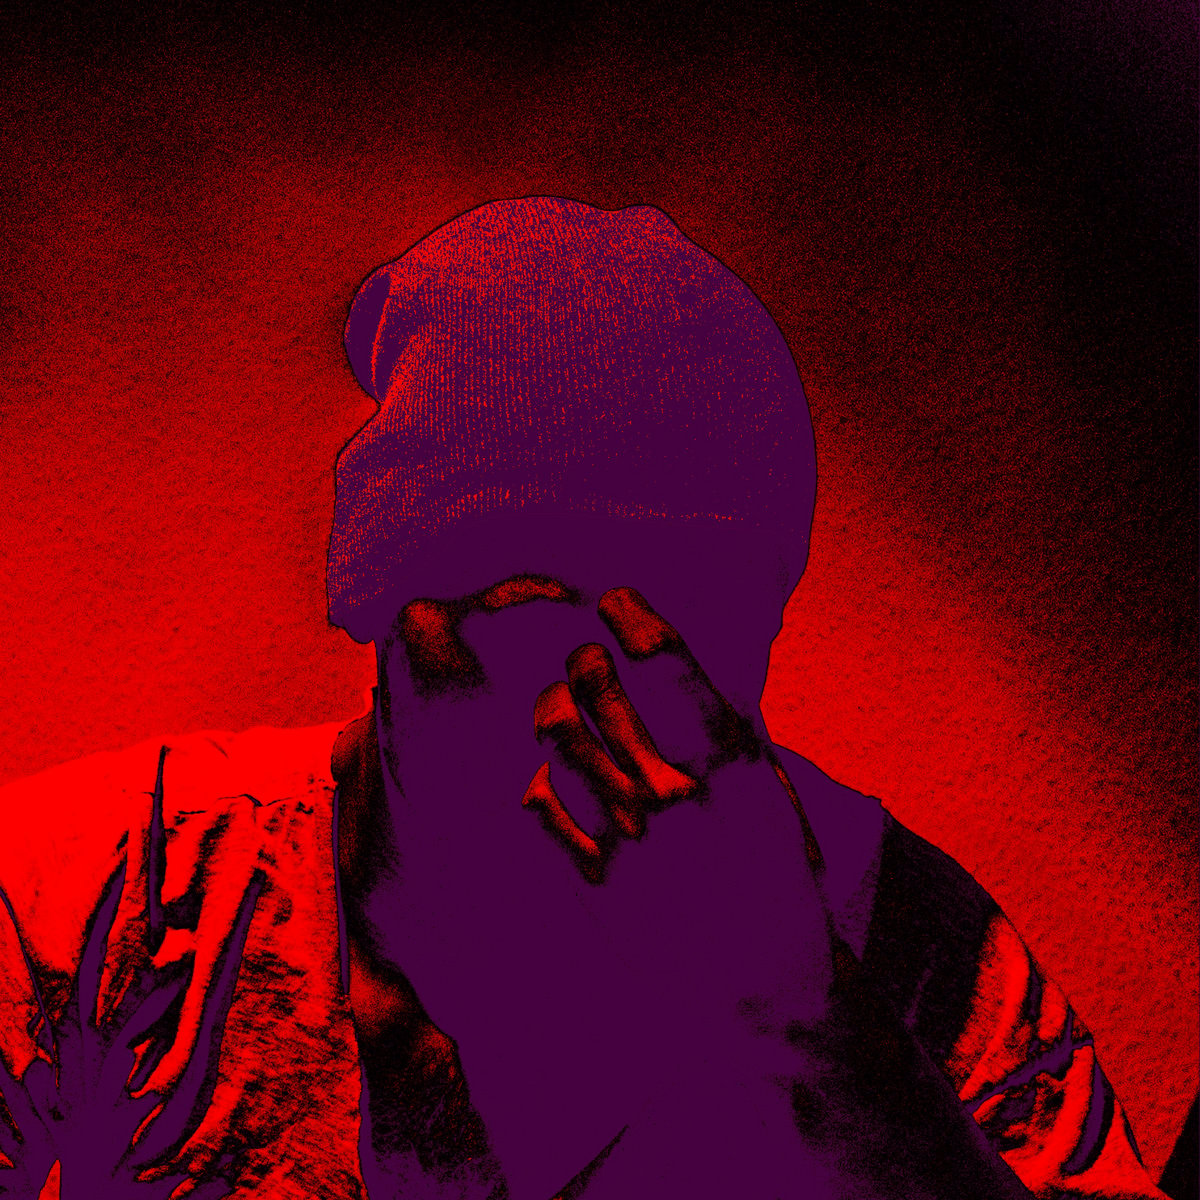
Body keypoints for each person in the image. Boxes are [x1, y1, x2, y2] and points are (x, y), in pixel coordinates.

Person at [0, 198, 1175, 1198]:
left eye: (696, 614)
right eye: (534, 608)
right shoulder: (121, 889)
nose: (610, 685)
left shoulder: (905, 950)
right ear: (388, 603)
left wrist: (809, 1031)